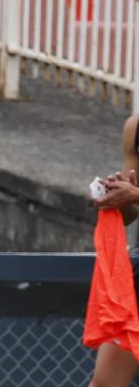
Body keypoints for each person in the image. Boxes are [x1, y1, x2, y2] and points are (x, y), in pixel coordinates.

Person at [91, 113, 139, 386]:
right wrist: (116, 197)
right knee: (105, 383)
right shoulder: (135, 128)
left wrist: (135, 195)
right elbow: (130, 214)